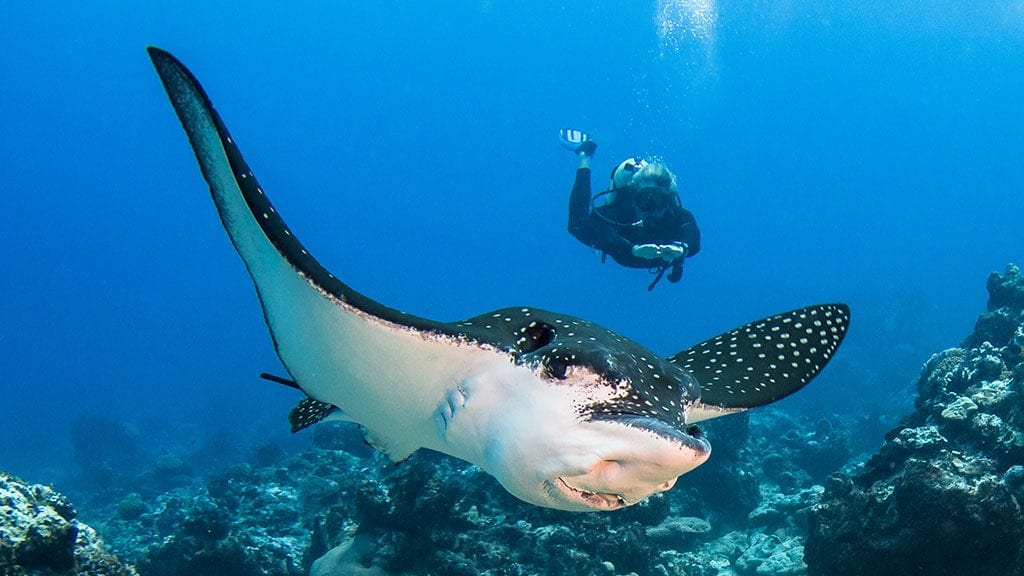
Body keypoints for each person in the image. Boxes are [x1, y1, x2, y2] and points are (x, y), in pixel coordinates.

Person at [560, 129, 701, 290]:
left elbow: (692, 236)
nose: (650, 208)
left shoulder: (678, 217)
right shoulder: (619, 213)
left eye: (657, 200)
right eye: (643, 199)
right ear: (634, 197)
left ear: (667, 200)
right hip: (623, 239)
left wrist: (682, 248)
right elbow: (577, 223)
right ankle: (585, 156)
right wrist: (631, 249)